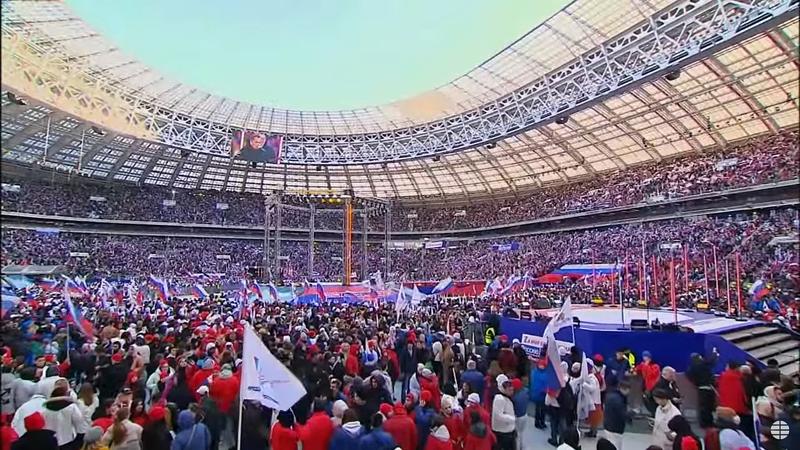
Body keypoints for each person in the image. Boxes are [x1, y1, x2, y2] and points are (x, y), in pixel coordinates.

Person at [685, 352, 717, 429]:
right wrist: (715, 354)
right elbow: (711, 362)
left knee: (703, 407)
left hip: (701, 388)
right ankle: (710, 422)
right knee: (709, 407)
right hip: (709, 387)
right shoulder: (703, 364)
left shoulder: (691, 368)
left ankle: (704, 423)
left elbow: (688, 375)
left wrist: (696, 382)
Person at [602, 380, 631, 450]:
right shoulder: (618, 400)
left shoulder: (611, 394)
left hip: (608, 425)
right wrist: (630, 416)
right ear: (625, 389)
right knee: (615, 446)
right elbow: (622, 414)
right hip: (615, 427)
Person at [491, 375, 516, 450]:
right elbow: (498, 415)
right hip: (502, 433)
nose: (511, 389)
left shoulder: (505, 397)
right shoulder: (499, 399)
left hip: (507, 431)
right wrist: (513, 419)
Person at [529, 359, 548, 429]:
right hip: (538, 394)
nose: (541, 366)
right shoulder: (534, 372)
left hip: (544, 394)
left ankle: (542, 422)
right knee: (538, 409)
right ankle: (537, 423)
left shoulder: (544, 373)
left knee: (543, 410)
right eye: (540, 365)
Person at [509, 378, 527, 450]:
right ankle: (521, 446)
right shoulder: (525, 392)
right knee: (521, 433)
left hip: (517, 417)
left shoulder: (515, 397)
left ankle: (518, 448)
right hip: (524, 415)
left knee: (516, 435)